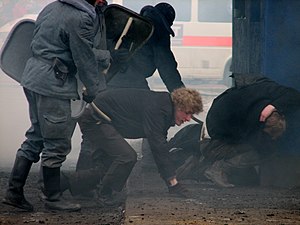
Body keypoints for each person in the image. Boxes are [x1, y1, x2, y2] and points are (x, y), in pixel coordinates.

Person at [2, 0, 110, 212]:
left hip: (33, 77)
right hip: (54, 84)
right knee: (57, 142)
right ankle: (53, 197)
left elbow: (57, 44)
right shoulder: (81, 17)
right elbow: (83, 56)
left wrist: (101, 55)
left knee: (36, 136)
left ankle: (14, 192)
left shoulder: (52, 7)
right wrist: (93, 88)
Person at [60, 87, 203, 205]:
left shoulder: (164, 109)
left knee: (108, 168)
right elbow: (158, 146)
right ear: (178, 106)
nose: (188, 119)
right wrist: (172, 182)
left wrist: (171, 180)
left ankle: (60, 184)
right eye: (187, 113)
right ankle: (105, 195)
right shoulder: (159, 109)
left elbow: (160, 143)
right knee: (127, 156)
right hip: (96, 120)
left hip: (103, 120)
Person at [198, 74, 300, 187]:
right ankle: (219, 168)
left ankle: (208, 163)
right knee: (260, 152)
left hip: (214, 128)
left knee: (259, 146)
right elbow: (260, 146)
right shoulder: (247, 123)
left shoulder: (265, 91)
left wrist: (272, 106)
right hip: (211, 143)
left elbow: (295, 95)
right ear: (262, 127)